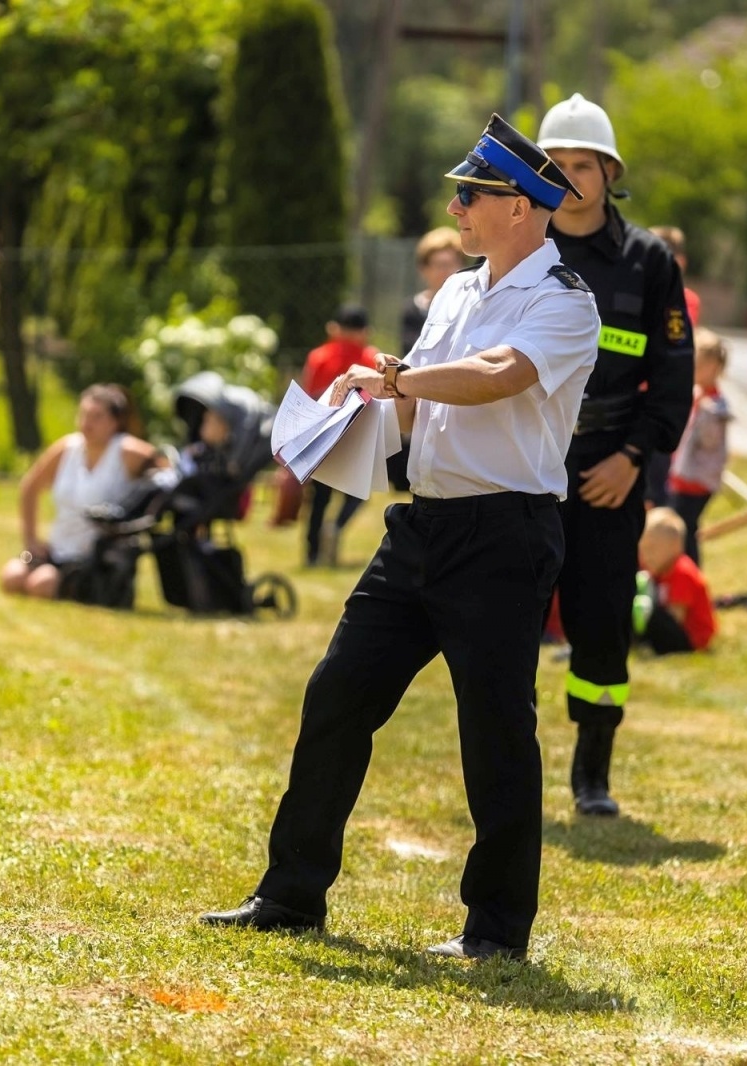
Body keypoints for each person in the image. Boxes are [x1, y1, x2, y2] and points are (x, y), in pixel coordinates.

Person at [201, 114, 599, 962]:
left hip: (505, 535)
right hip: (422, 528)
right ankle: (290, 893)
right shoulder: (457, 290)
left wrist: (396, 375)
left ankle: (495, 932)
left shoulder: (566, 301)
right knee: (337, 694)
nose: (456, 206)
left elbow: (499, 378)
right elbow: (414, 401)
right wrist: (359, 405)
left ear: (523, 209)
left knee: (494, 731)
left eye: (473, 194)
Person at [537, 92, 694, 818]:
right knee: (507, 616)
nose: (570, 179)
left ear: (609, 171)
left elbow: (672, 375)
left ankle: (592, 775)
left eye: (583, 165)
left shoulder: (649, 261)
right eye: (556, 165)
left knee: (601, 620)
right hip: (526, 458)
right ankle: (505, 768)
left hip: (608, 468)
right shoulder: (524, 248)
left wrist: (632, 458)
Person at [0, 384, 158, 601]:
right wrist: (31, 541)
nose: (87, 423)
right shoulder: (67, 447)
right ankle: (41, 567)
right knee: (12, 576)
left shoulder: (128, 451)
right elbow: (29, 487)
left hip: (91, 560)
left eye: (96, 417)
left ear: (115, 422)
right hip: (54, 551)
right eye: (83, 414)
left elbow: (169, 476)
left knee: (41, 585)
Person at [300, 305, 378, 566]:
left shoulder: (319, 356)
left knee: (319, 497)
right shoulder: (370, 357)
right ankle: (335, 528)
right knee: (357, 491)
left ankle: (312, 553)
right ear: (365, 332)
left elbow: (308, 394)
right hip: (357, 434)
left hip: (323, 435)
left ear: (335, 328)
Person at [392, 230, 466, 493]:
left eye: (451, 264)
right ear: (425, 269)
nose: (446, 271)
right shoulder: (413, 309)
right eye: (439, 265)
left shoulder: (471, 306)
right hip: (421, 394)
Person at [644, 225, 704, 511]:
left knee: (656, 485)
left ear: (681, 261)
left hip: (659, 402)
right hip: (625, 397)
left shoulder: (685, 300)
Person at [666, 328, 731, 565]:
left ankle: (692, 573)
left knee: (685, 530)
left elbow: (710, 441)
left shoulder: (714, 405)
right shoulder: (697, 395)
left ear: (713, 367)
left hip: (698, 480)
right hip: (683, 474)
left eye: (699, 365)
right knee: (682, 527)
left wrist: (703, 414)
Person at [634, 507, 715, 654]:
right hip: (674, 630)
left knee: (648, 613)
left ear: (674, 548)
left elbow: (676, 617)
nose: (645, 556)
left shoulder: (682, 572)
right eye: (642, 549)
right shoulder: (657, 571)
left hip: (691, 638)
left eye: (651, 549)